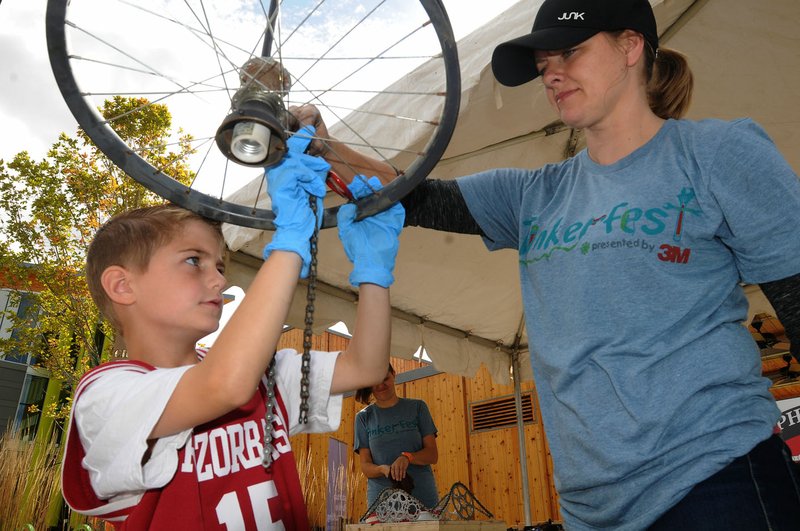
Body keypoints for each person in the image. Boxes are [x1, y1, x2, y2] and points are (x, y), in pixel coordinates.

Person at [289, 0, 800, 528]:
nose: (551, 74)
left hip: (717, 480)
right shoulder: (536, 193)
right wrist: (324, 147)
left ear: (630, 46)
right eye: (542, 64)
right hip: (589, 508)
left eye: (569, 52)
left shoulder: (716, 154)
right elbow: (410, 195)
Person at [60, 126, 405, 529]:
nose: (219, 280)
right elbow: (223, 385)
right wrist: (291, 239)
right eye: (194, 261)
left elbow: (365, 368)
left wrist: (373, 274)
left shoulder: (259, 376)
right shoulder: (105, 396)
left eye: (220, 266)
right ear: (123, 286)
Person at [354, 364, 439, 509]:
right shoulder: (363, 418)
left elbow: (432, 455)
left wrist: (407, 457)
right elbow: (365, 466)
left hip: (422, 498)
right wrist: (382, 469)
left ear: (393, 374)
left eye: (385, 378)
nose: (381, 385)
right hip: (382, 502)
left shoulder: (418, 407)